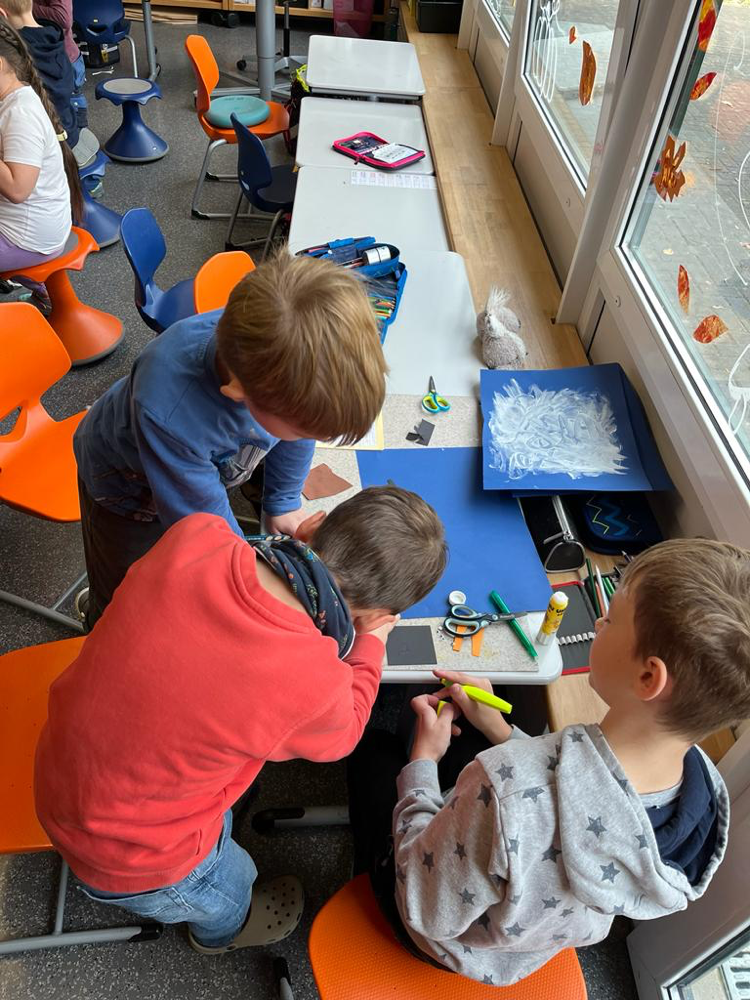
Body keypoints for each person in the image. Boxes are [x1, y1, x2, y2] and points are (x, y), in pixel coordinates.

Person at [34, 485, 448, 953]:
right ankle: (221, 935)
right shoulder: (313, 683)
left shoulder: (198, 534)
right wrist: (371, 643)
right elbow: (348, 730)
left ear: (313, 525)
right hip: (143, 856)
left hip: (58, 771)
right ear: (374, 614)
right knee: (229, 885)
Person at [348, 538, 750, 987]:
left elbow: (425, 906)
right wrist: (501, 730)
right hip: (522, 948)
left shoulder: (505, 788)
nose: (598, 622)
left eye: (612, 618)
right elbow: (575, 785)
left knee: (376, 751)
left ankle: (369, 867)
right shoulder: (703, 795)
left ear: (648, 676)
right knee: (468, 744)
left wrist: (422, 763)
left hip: (438, 936)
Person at [73, 251, 388, 629]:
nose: (305, 437)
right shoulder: (170, 410)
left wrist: (283, 499)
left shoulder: (268, 359)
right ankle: (100, 622)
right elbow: (209, 535)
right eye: (303, 430)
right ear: (239, 393)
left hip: (196, 466)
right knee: (125, 589)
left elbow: (297, 432)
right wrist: (255, 582)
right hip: (125, 490)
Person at [0, 17, 81, 293]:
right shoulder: (13, 97)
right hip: (34, 226)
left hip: (28, 238)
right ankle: (43, 292)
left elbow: (18, 189)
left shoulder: (20, 112)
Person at [0, 0, 97, 165]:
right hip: (68, 132)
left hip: (45, 147)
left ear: (2, 14)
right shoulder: (53, 38)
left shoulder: (16, 56)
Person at [32, 0, 87, 130]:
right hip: (40, 57)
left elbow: (63, 18)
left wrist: (23, 6)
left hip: (62, 61)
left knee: (70, 121)